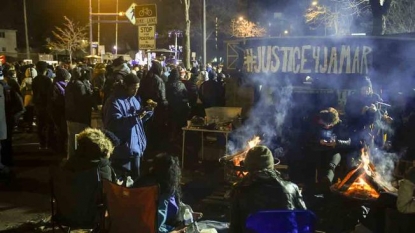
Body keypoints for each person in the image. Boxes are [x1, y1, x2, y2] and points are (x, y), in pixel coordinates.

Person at [229, 145, 306, 233]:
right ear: (271, 164)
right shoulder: (292, 188)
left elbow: (235, 227)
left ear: (247, 165)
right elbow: (304, 220)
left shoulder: (239, 189)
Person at [103, 73, 153, 180]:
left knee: (136, 181)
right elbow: (114, 124)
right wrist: (136, 117)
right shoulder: (114, 102)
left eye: (137, 88)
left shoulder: (134, 100)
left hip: (136, 148)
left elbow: (138, 122)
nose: (135, 91)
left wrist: (147, 113)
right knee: (124, 183)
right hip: (123, 150)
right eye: (133, 88)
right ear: (125, 86)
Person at [306, 107, 352, 186]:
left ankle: (327, 181)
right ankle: (319, 185)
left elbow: (348, 142)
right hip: (318, 150)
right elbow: (307, 139)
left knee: (331, 164)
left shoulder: (340, 125)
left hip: (334, 151)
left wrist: (337, 143)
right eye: (324, 124)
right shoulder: (314, 125)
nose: (327, 127)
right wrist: (319, 141)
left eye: (330, 125)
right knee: (319, 164)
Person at [65, 66, 93, 159]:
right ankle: (76, 160)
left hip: (71, 115)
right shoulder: (79, 85)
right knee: (77, 138)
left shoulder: (71, 83)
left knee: (73, 139)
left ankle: (72, 159)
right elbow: (84, 100)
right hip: (79, 116)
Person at [32, 61, 53, 150]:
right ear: (45, 69)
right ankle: (49, 143)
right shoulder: (47, 80)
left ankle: (42, 143)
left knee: (40, 125)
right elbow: (50, 93)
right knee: (49, 124)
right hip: (46, 104)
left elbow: (34, 91)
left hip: (38, 104)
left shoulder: (35, 79)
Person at [166, 69, 189, 142]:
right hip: (180, 106)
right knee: (179, 121)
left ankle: (171, 136)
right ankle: (179, 136)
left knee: (172, 121)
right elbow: (186, 94)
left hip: (170, 105)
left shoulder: (167, 84)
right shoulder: (181, 84)